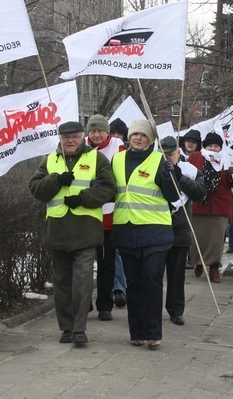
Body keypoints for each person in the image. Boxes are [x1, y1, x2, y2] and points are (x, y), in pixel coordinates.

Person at [28, 121, 116, 345]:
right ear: (60, 138)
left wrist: (84, 198)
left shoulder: (97, 159)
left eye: (75, 136)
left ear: (82, 137)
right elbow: (36, 189)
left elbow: (109, 189)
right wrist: (55, 180)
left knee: (82, 282)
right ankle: (66, 328)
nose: (70, 140)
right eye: (66, 137)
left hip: (86, 231)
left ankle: (79, 329)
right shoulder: (50, 160)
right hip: (57, 231)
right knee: (62, 283)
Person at [111, 119, 181, 349]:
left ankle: (153, 333)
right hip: (126, 230)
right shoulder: (118, 159)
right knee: (134, 282)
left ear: (150, 139)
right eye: (134, 135)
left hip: (155, 231)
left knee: (151, 278)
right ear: (129, 137)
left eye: (143, 135)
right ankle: (137, 332)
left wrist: (172, 173)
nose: (138, 138)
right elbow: (111, 190)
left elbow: (172, 195)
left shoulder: (159, 160)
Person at [160, 136, 206, 326]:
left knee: (177, 274)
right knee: (153, 273)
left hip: (180, 228)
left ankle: (176, 310)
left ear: (178, 153)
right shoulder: (155, 167)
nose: (167, 158)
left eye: (171, 154)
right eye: (164, 154)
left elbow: (200, 192)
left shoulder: (191, 170)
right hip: (157, 227)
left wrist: (180, 176)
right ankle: (151, 308)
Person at [85, 114, 126, 320]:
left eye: (100, 130)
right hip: (84, 214)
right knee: (83, 264)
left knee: (106, 262)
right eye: (92, 131)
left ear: (107, 132)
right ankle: (85, 303)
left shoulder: (118, 147)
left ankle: (105, 305)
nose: (96, 134)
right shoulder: (80, 146)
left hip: (109, 213)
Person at [190, 132, 233, 283]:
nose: (213, 149)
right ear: (204, 146)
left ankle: (214, 267)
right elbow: (187, 175)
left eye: (216, 146)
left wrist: (231, 174)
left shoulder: (227, 159)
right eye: (210, 145)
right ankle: (199, 262)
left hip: (220, 208)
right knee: (198, 238)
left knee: (217, 240)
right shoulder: (196, 157)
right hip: (199, 206)